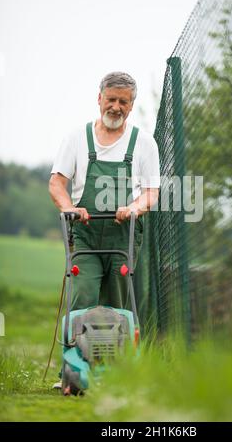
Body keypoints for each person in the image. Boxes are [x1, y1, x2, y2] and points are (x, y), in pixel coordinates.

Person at [49, 72, 160, 312]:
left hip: (123, 238)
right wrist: (70, 209)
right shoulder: (77, 138)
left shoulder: (144, 143)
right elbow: (57, 183)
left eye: (123, 102)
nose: (116, 107)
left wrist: (133, 208)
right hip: (85, 236)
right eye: (111, 99)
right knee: (83, 296)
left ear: (131, 106)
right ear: (99, 98)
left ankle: (116, 350)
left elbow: (152, 194)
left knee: (116, 307)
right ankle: (78, 347)